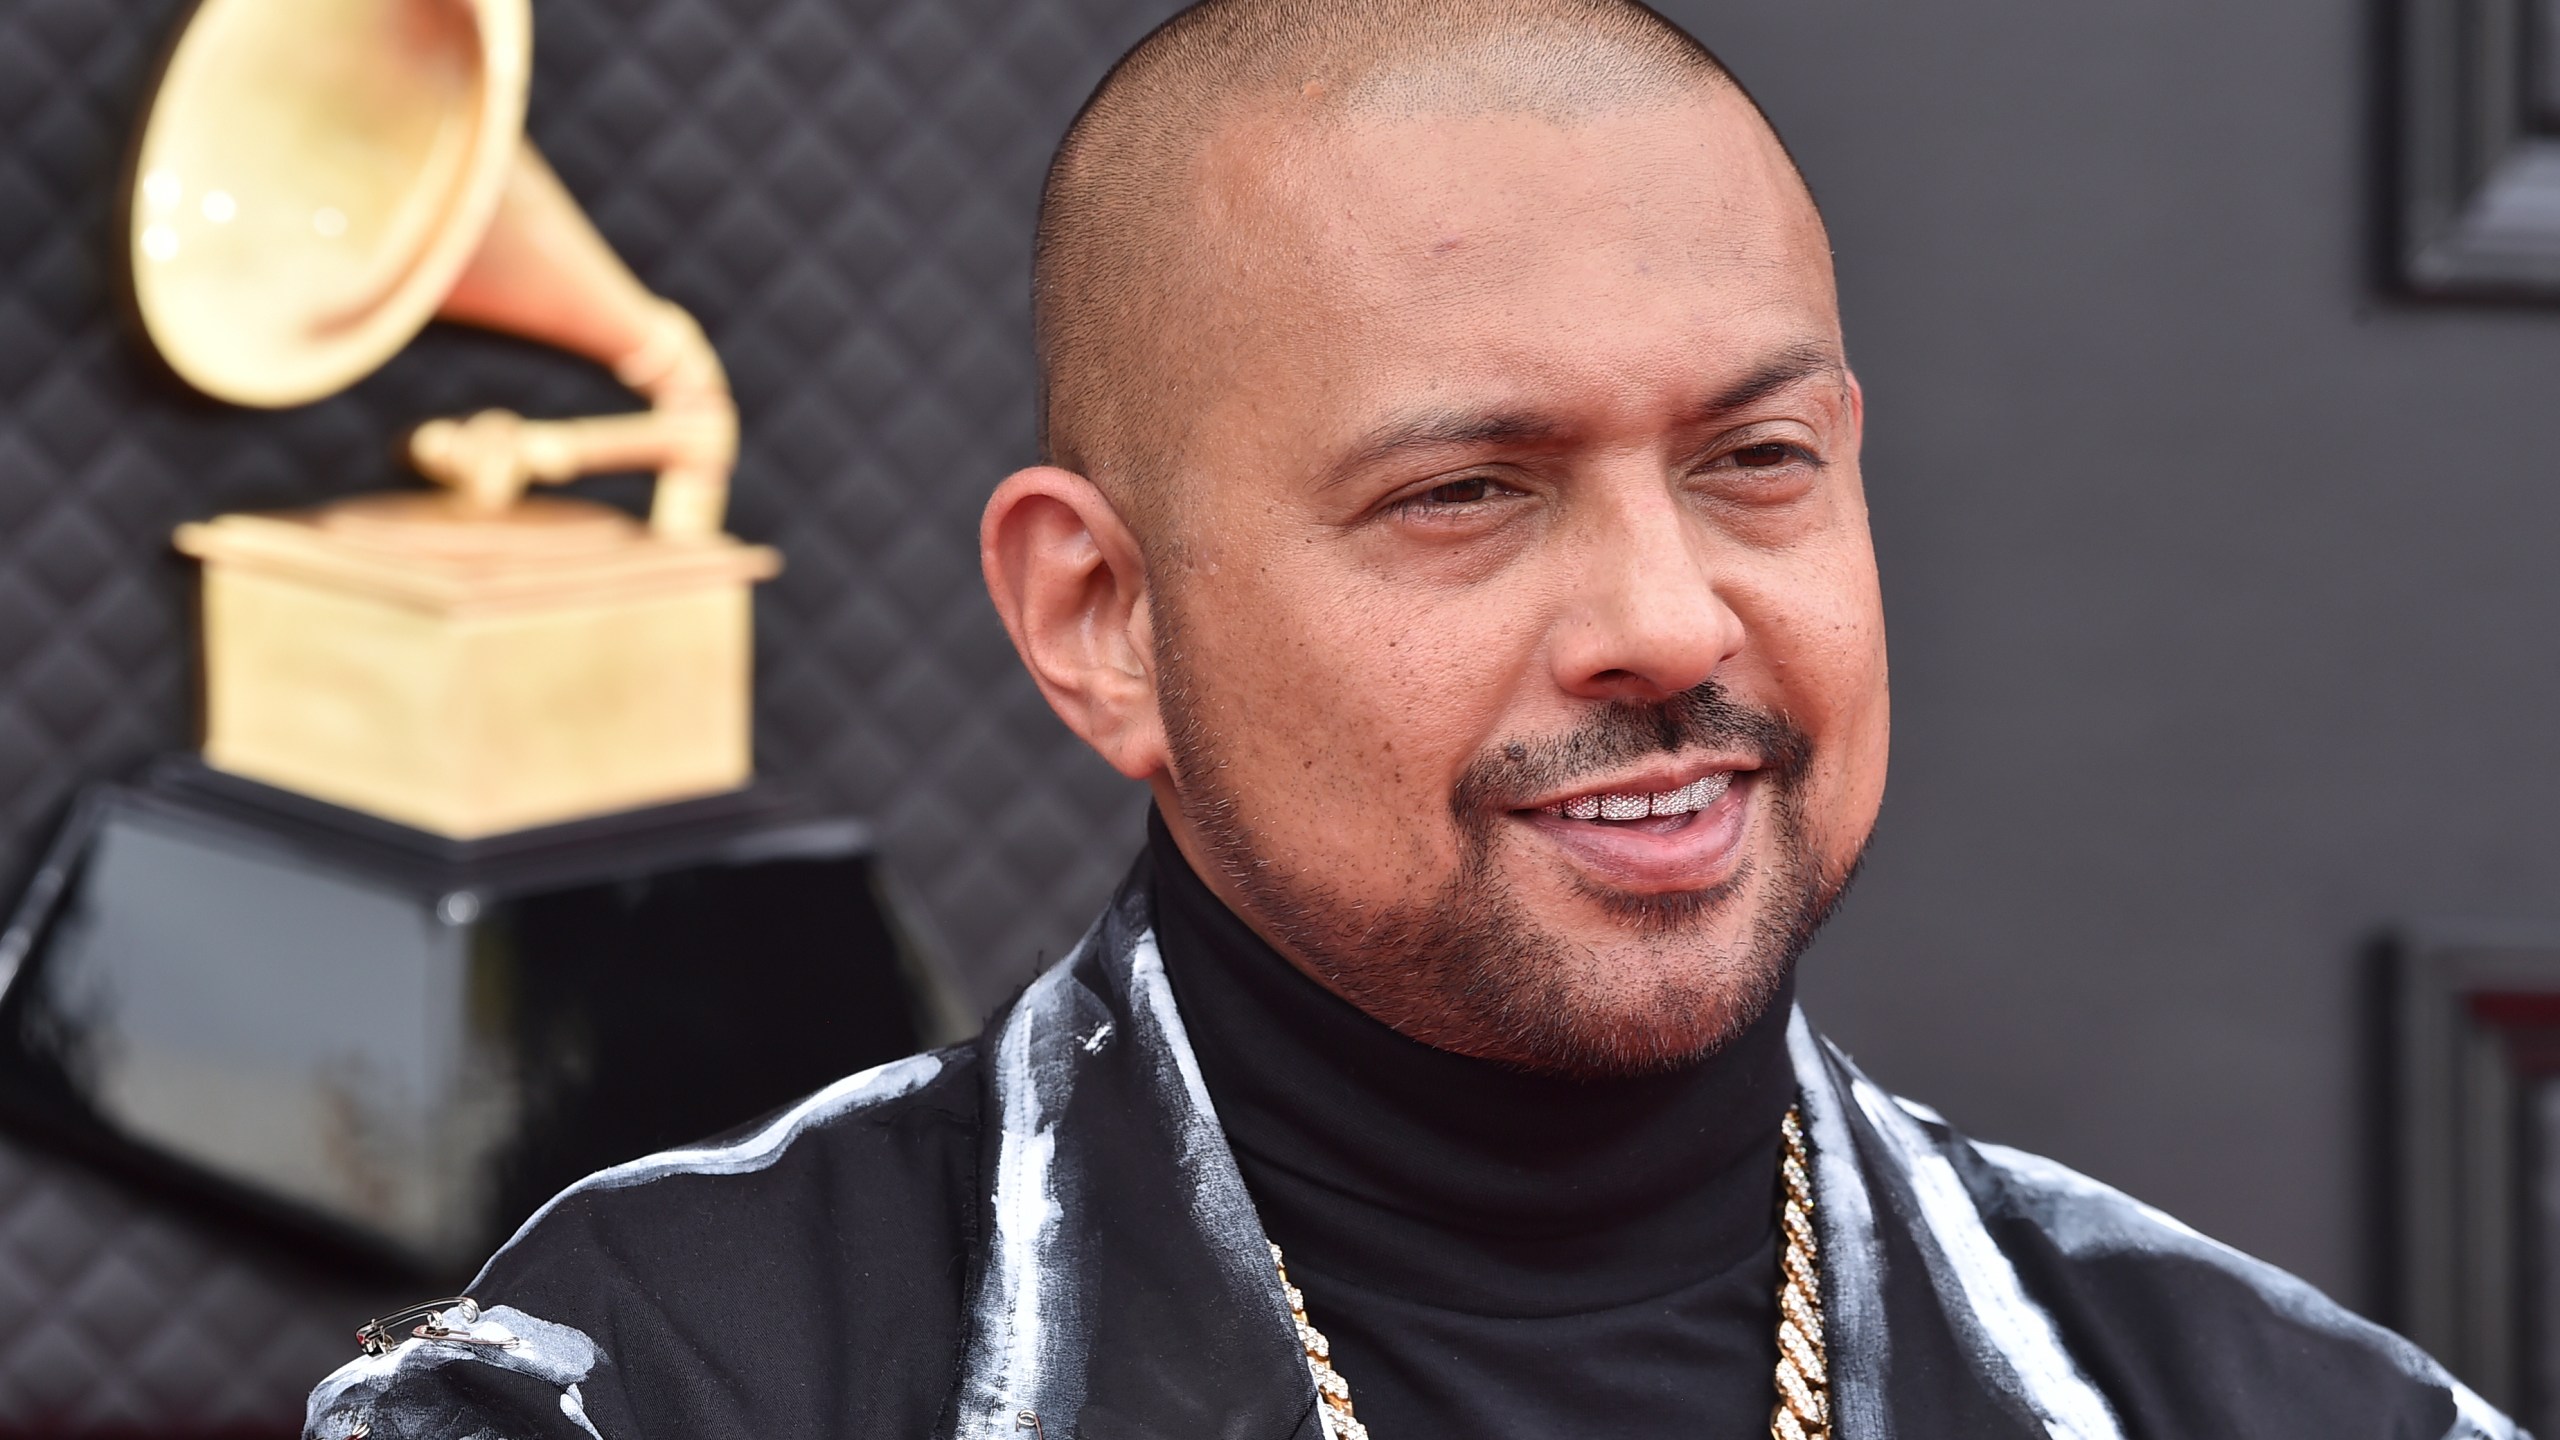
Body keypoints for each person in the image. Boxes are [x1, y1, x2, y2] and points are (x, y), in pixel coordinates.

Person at [304, 3, 2520, 1438]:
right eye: (1465, 494)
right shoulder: (642, 1390)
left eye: (1756, 464)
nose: (1668, 623)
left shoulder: (2277, 1405)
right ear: (1097, 618)